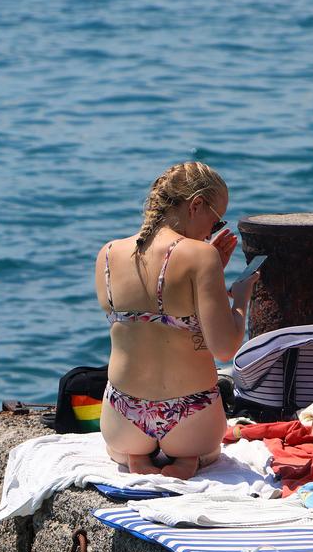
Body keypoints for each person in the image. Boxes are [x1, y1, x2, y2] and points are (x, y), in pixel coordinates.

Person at [95, 161, 255, 480]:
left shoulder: (108, 254)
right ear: (196, 205)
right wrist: (240, 297)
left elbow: (153, 321)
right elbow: (224, 347)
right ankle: (186, 461)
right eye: (216, 219)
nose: (213, 231)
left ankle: (136, 457)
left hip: (122, 419)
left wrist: (209, 273)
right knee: (205, 451)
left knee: (125, 449)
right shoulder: (201, 255)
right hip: (191, 419)